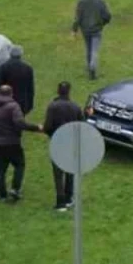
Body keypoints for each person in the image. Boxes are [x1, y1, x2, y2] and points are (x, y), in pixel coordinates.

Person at [0, 84, 43, 202]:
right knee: (19, 165)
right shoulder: (13, 107)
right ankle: (15, 188)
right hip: (12, 142)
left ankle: (1, 194)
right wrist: (36, 128)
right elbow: (20, 123)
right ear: (11, 93)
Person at [43, 81, 84, 211]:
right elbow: (81, 124)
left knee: (58, 173)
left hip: (57, 141)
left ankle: (60, 202)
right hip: (71, 142)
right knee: (70, 171)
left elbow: (47, 126)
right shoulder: (75, 107)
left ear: (58, 91)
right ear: (69, 91)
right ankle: (68, 197)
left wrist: (51, 134)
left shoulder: (52, 106)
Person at [72, 0, 112, 80]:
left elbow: (77, 17)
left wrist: (74, 29)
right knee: (94, 50)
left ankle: (89, 67)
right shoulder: (100, 1)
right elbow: (107, 15)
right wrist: (103, 23)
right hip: (96, 29)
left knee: (88, 49)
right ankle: (92, 70)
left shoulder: (81, 1)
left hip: (85, 29)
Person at [0, 45, 35, 115]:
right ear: (21, 54)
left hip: (6, 101)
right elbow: (30, 88)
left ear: (10, 54)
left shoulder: (4, 67)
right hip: (22, 102)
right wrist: (30, 104)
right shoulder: (28, 68)